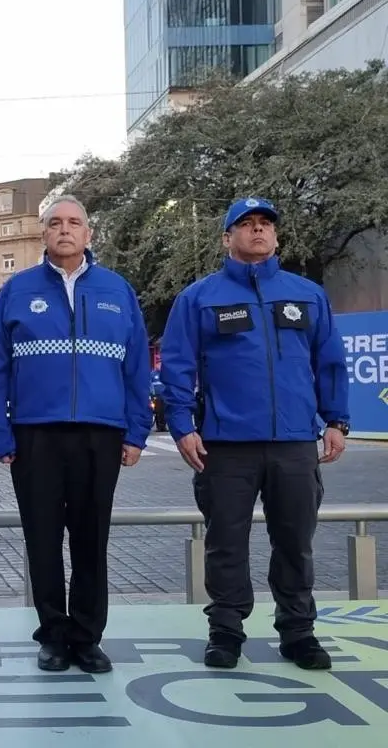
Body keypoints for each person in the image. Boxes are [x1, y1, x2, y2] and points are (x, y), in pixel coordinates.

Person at [160, 196, 349, 671]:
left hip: (294, 444)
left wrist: (337, 421)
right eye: (246, 225)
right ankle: (225, 633)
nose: (258, 231)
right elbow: (178, 367)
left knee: (295, 541)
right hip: (225, 447)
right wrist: (182, 426)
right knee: (226, 542)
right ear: (228, 238)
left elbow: (329, 362)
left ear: (277, 236)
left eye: (266, 224)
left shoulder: (307, 294)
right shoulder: (198, 298)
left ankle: (299, 633)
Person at [0, 195, 153, 675]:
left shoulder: (118, 291)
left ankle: (87, 636)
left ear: (88, 233)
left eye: (74, 222)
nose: (64, 230)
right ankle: (54, 635)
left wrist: (137, 432)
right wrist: (0, 434)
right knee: (42, 538)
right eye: (55, 222)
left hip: (101, 434)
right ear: (43, 233)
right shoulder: (16, 290)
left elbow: (138, 368)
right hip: (37, 434)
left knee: (91, 539)